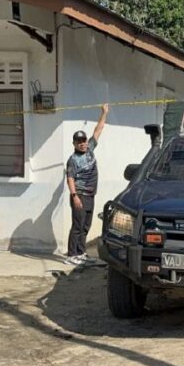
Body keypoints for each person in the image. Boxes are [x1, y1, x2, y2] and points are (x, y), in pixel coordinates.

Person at [65, 103, 109, 266]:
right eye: (79, 141)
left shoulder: (90, 149)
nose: (83, 143)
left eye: (83, 140)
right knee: (77, 225)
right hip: (80, 195)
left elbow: (98, 130)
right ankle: (71, 255)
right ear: (74, 144)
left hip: (90, 194)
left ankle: (81, 252)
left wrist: (104, 113)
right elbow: (70, 179)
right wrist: (74, 196)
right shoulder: (73, 160)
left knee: (85, 225)